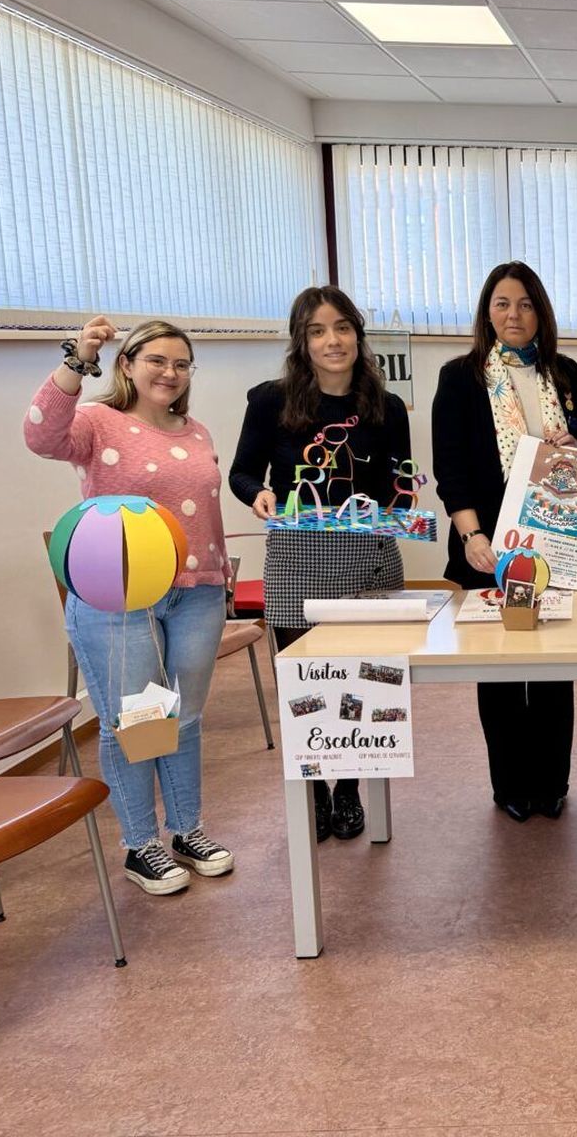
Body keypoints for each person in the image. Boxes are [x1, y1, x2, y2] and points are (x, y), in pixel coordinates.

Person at [24, 317, 233, 895]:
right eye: (157, 360)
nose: (170, 372)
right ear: (127, 364)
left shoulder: (196, 431)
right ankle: (141, 844)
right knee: (141, 722)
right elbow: (41, 435)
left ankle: (187, 829)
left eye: (182, 363)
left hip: (197, 593)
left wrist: (219, 578)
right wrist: (77, 359)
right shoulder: (97, 421)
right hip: (119, 597)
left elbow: (205, 516)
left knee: (183, 718)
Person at [229, 285, 410, 841]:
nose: (333, 341)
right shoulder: (270, 400)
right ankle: (313, 787)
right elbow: (241, 472)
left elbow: (399, 484)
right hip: (297, 562)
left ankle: (350, 787)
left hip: (368, 560)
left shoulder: (387, 406)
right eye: (317, 331)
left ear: (358, 335)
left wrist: (402, 506)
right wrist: (258, 494)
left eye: (342, 328)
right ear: (301, 341)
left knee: (361, 683)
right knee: (305, 685)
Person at [433, 261, 577, 823]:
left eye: (526, 304)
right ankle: (509, 785)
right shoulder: (460, 377)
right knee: (502, 667)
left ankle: (552, 783)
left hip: (558, 542)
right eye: (503, 303)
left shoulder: (566, 373)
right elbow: (450, 467)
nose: (515, 314)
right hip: (491, 546)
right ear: (487, 312)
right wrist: (471, 534)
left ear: (541, 312)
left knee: (554, 665)